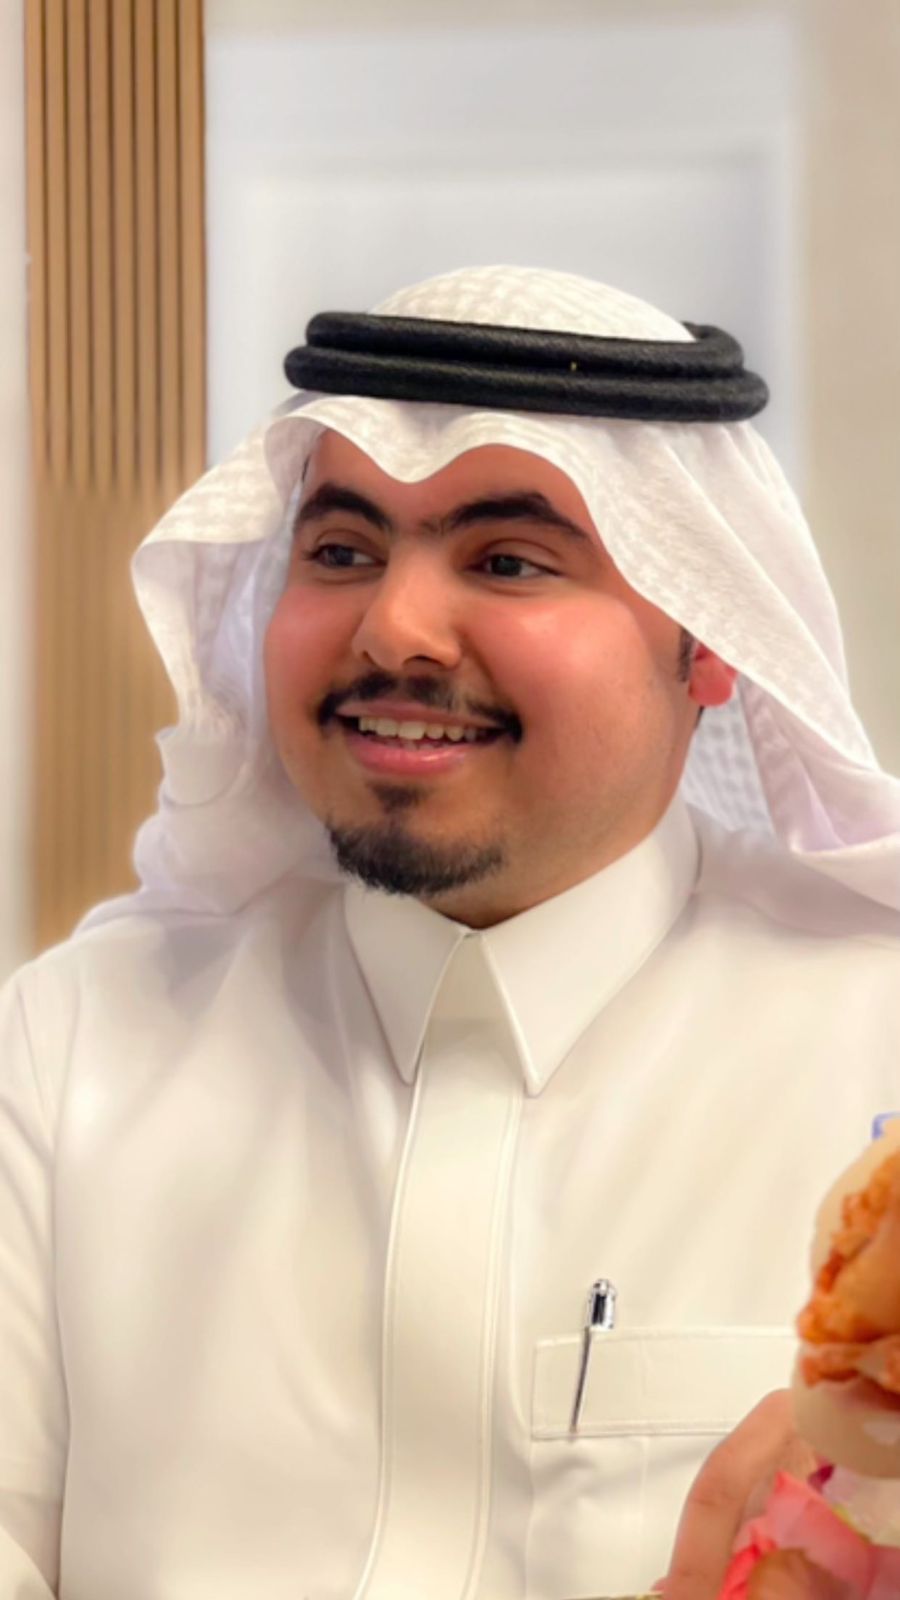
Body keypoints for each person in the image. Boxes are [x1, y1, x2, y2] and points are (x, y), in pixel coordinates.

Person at [1, 264, 898, 1600]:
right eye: (341, 552)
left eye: (508, 562)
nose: (394, 629)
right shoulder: (73, 1046)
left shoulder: (875, 1042)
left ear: (711, 637)